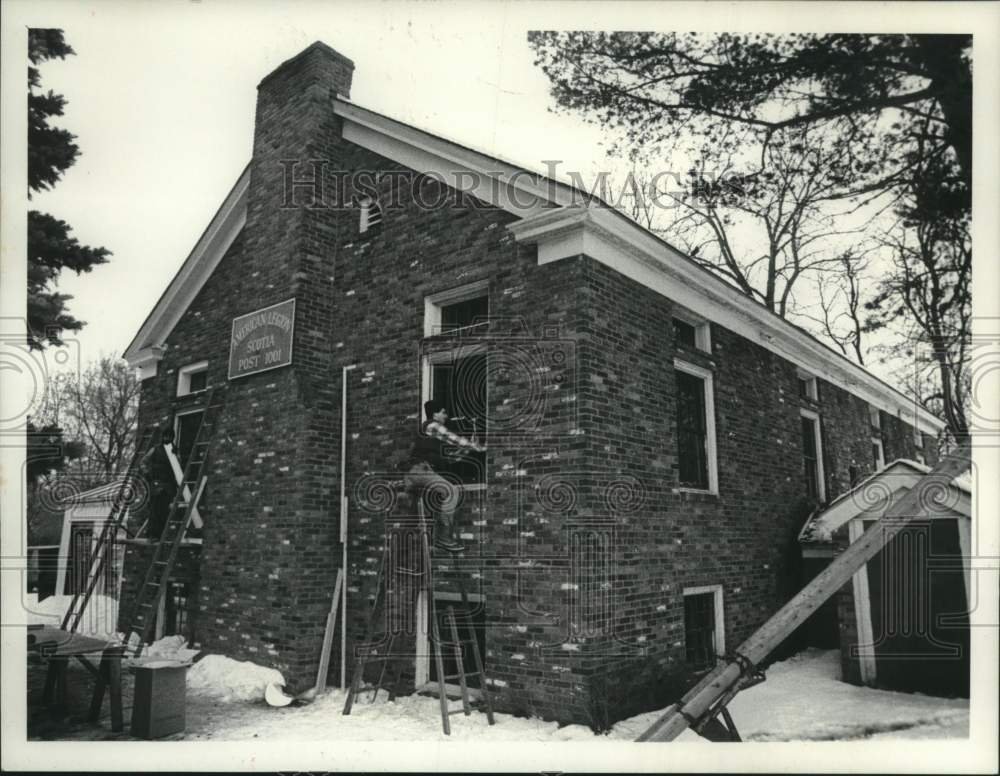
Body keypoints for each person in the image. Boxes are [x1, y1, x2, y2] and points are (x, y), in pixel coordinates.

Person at [405, 400, 486, 552]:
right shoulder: (432, 425)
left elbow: (450, 458)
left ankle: (426, 538)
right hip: (419, 471)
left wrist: (466, 450)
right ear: (435, 413)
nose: (446, 416)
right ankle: (443, 538)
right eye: (443, 412)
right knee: (451, 491)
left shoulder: (431, 436)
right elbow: (452, 438)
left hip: (418, 472)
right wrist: (477, 447)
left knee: (434, 501)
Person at [140, 425, 179, 540]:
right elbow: (143, 462)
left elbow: (178, 468)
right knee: (154, 510)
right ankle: (152, 534)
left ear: (172, 438)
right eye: (166, 436)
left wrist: (176, 455)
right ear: (163, 437)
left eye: (170, 437)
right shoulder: (155, 449)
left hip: (168, 485)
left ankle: (160, 535)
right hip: (156, 483)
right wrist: (147, 474)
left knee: (164, 511)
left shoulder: (174, 451)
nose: (167, 439)